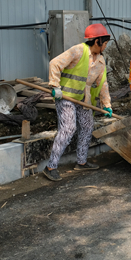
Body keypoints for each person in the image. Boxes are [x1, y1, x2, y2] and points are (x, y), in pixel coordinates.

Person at [43, 23, 112, 181]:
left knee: (87, 126)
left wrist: (107, 105)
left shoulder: (101, 61)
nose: (106, 46)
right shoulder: (78, 50)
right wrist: (55, 85)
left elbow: (103, 84)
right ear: (97, 41)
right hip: (65, 96)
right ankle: (50, 167)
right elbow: (55, 63)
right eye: (105, 43)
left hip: (83, 99)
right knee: (68, 128)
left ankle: (81, 162)